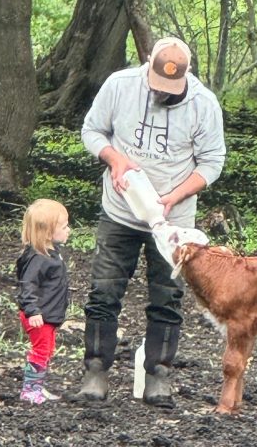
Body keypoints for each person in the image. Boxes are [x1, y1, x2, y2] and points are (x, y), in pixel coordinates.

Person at [75, 37, 226, 408]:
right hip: (120, 210)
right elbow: (92, 130)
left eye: (171, 91)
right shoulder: (120, 85)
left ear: (188, 73)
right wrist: (114, 159)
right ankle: (95, 369)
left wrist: (176, 195)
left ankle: (159, 374)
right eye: (158, 88)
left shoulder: (204, 105)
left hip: (173, 222)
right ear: (148, 66)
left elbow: (212, 161)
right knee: (104, 291)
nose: (164, 95)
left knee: (167, 296)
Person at [17, 199, 71, 404]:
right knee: (41, 350)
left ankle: (36, 387)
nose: (69, 230)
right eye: (64, 226)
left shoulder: (51, 253)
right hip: (39, 315)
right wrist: (33, 311)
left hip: (47, 314)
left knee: (46, 350)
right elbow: (27, 285)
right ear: (48, 233)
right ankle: (30, 390)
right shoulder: (39, 258)